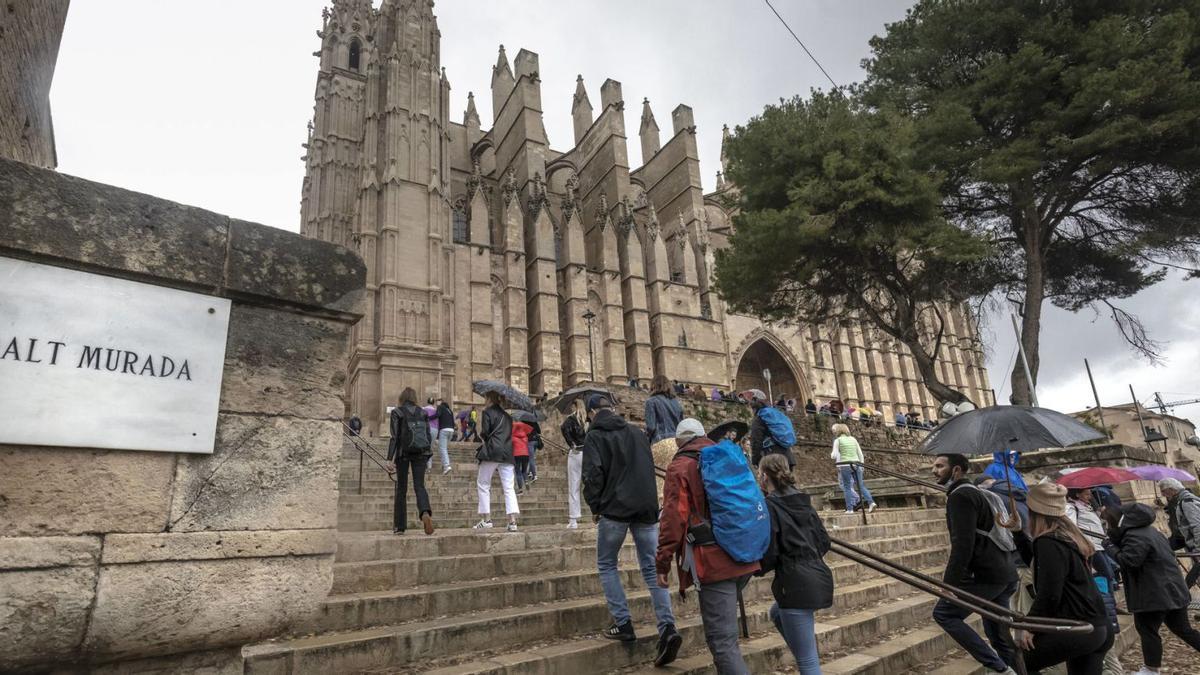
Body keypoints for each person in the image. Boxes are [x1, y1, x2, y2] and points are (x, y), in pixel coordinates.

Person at [582, 394, 679, 665]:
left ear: (590, 412)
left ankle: (623, 623)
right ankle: (668, 627)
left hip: (614, 509)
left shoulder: (594, 436)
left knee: (606, 564)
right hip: (646, 509)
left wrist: (595, 506)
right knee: (651, 568)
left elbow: (592, 474)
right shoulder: (637, 433)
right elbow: (646, 468)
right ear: (611, 409)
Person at [656, 418, 756, 673]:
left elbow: (672, 519)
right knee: (726, 637)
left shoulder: (681, 466)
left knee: (722, 643)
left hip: (714, 561)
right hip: (745, 553)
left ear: (680, 442)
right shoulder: (728, 455)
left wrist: (662, 562)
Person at [931, 453, 1019, 675]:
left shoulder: (961, 496)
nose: (934, 470)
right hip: (1005, 571)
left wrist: (949, 584)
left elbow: (962, 543)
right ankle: (1014, 670)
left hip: (986, 574)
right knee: (999, 635)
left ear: (957, 470)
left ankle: (999, 668)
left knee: (945, 614)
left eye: (940, 466)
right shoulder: (982, 494)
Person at [1012, 483, 1113, 674]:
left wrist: (1030, 626)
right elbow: (1039, 564)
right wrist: (1017, 532)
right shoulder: (1068, 535)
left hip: (1079, 626)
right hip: (1097, 625)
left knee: (1018, 661)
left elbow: (1050, 593)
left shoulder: (1048, 541)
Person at [757, 453, 833, 674]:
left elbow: (770, 548)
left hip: (794, 581)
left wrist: (757, 568)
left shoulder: (770, 506)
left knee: (808, 662)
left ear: (763, 476)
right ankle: (802, 650)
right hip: (817, 573)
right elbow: (824, 541)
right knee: (776, 613)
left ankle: (804, 655)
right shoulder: (803, 500)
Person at [1105, 502, 1200, 675]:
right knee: (1183, 630)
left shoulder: (1134, 536)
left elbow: (1129, 561)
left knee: (1147, 630)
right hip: (1172, 591)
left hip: (1154, 595)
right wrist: (1115, 540)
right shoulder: (1151, 532)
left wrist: (1110, 547)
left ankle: (1150, 670)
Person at [385, 388, 435, 536]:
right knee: (419, 485)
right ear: (414, 398)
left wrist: (389, 459)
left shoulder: (397, 412)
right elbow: (428, 436)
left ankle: (399, 526)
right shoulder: (423, 412)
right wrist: (427, 455)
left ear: (402, 398)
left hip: (403, 454)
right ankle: (425, 512)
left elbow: (394, 437)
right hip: (421, 453)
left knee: (401, 488)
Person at [474, 392, 520, 532]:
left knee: (483, 483)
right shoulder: (508, 416)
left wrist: (482, 435)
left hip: (492, 451)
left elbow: (485, 432)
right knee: (508, 487)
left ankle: (487, 519)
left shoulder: (487, 412)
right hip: (507, 453)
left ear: (489, 399)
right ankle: (512, 521)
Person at [1159, 477, 1200, 590]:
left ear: (1172, 489)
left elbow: (1197, 525)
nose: (1163, 494)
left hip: (1193, 539)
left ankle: (1185, 592)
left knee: (1197, 568)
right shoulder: (1177, 499)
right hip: (1182, 538)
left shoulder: (1187, 501)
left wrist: (1198, 548)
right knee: (1160, 548)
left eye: (1164, 491)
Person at [830, 423, 876, 514]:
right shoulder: (853, 439)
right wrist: (862, 465)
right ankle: (871, 502)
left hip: (845, 465)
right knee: (861, 485)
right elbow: (860, 454)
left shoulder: (837, 440)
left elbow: (834, 455)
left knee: (847, 487)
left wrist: (832, 454)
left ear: (838, 431)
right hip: (856, 464)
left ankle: (850, 509)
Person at [746, 389, 796, 469]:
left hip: (772, 458)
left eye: (750, 402)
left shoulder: (760, 417)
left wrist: (755, 460)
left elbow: (756, 440)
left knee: (772, 481)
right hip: (788, 458)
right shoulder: (776, 413)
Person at [560, 400, 588, 529]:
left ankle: (573, 520)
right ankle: (598, 515)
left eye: (572, 405)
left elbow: (563, 428)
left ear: (575, 406)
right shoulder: (588, 419)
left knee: (574, 487)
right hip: (588, 454)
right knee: (592, 485)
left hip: (576, 453)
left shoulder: (571, 419)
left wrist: (571, 443)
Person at [645, 374, 684, 444]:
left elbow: (651, 427)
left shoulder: (651, 401)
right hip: (676, 442)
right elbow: (681, 424)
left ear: (653, 385)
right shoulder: (676, 402)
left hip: (660, 441)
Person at [433, 398, 454, 475]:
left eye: (437, 402)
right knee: (443, 448)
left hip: (444, 430)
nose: (436, 404)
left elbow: (437, 415)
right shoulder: (449, 410)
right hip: (451, 431)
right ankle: (444, 465)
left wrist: (429, 418)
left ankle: (446, 466)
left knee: (442, 448)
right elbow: (453, 421)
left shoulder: (440, 407)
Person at [512, 418, 533, 495]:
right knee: (524, 471)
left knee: (518, 472)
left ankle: (520, 489)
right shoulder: (525, 437)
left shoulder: (513, 437)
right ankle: (526, 481)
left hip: (517, 455)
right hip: (526, 455)